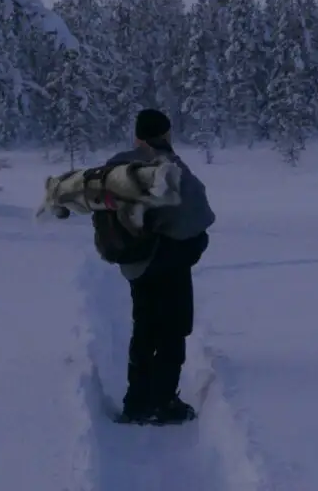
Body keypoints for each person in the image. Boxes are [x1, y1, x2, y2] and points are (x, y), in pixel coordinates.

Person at [106, 108, 216, 425]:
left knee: (144, 328)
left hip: (136, 264)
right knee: (172, 330)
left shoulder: (118, 165)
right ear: (166, 134)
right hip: (169, 263)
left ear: (137, 135)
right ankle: (164, 401)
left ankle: (137, 401)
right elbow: (199, 216)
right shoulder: (169, 166)